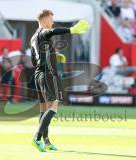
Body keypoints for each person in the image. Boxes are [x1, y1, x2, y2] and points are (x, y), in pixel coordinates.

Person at [30, 9, 89, 152]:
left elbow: (34, 60)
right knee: (54, 105)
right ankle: (37, 138)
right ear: (44, 21)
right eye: (51, 19)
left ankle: (46, 142)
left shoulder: (33, 38)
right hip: (49, 74)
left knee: (44, 109)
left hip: (38, 74)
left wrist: (54, 56)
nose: (52, 22)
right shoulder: (44, 32)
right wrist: (71, 30)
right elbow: (52, 32)